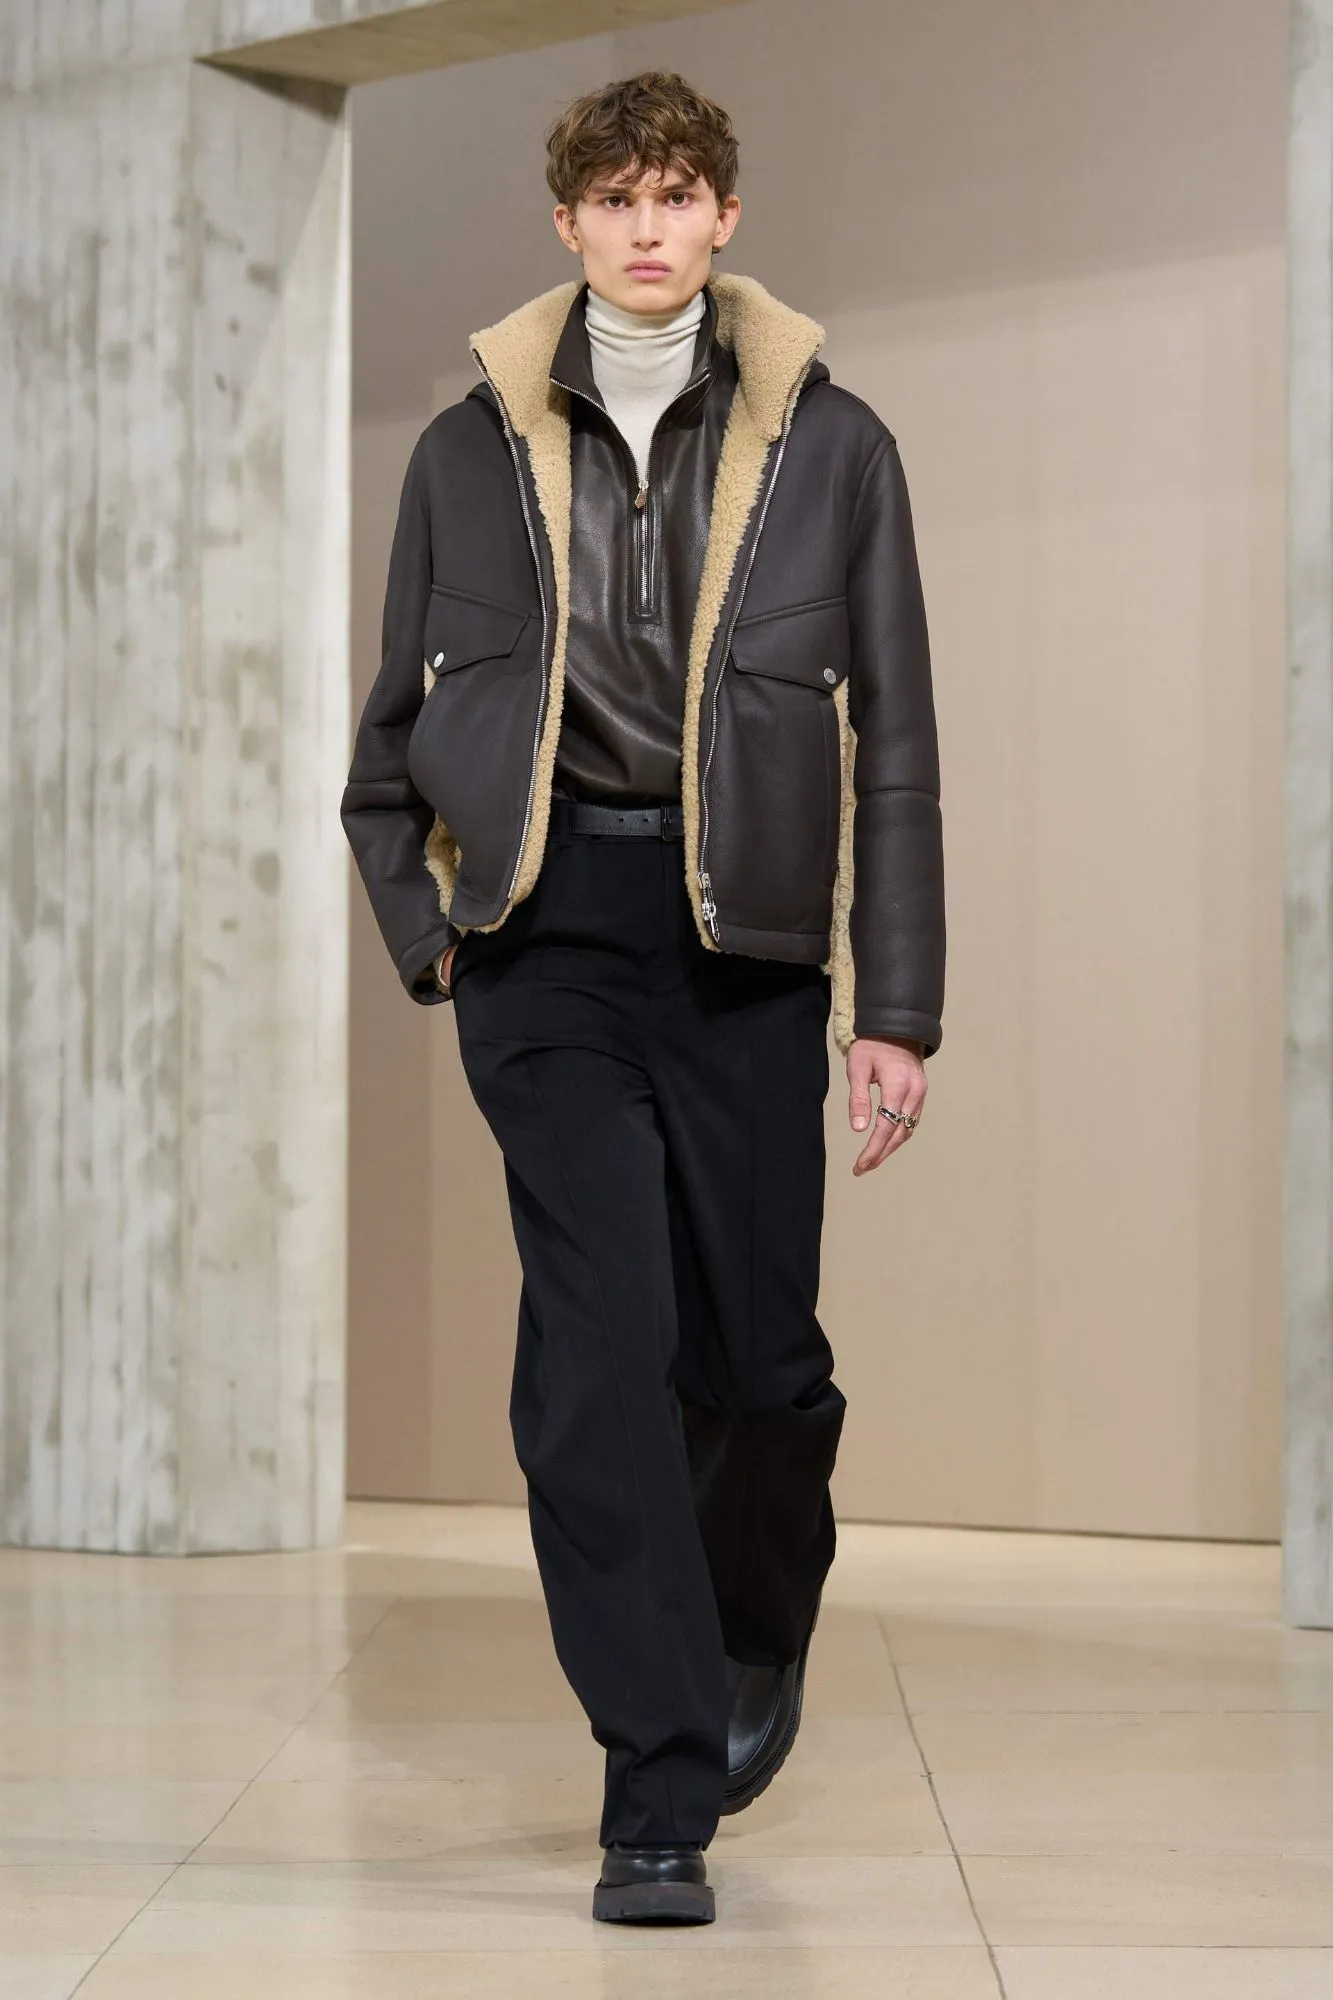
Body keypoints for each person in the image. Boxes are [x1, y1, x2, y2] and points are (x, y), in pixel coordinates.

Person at [342, 69, 945, 1927]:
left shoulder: (836, 448)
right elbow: (383, 753)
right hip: (547, 943)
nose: (649, 227)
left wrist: (898, 1006)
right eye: (616, 198)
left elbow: (899, 751)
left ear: (726, 217)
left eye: (678, 194)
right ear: (569, 224)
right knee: (599, 1363)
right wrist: (435, 933)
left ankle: (753, 1626)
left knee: (756, 1368)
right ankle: (656, 1786)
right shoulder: (466, 449)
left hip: (744, 948)